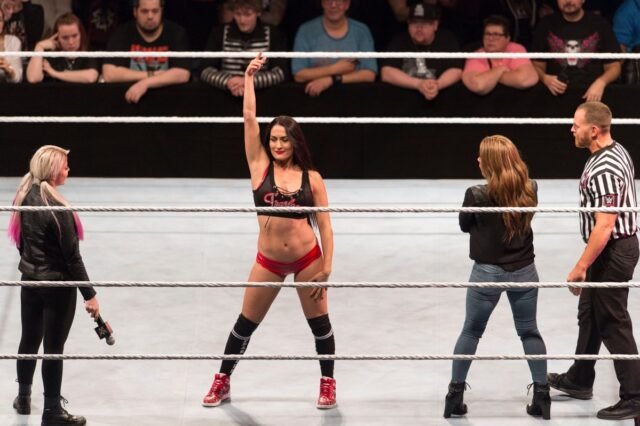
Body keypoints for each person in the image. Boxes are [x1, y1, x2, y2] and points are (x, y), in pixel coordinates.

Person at [202, 53, 337, 409]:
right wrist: (248, 78)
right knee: (245, 323)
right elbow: (249, 118)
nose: (278, 145)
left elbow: (325, 225)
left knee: (320, 325)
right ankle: (222, 381)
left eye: (284, 140)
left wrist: (327, 267)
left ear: (295, 142)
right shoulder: (259, 166)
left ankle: (328, 384)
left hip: (308, 260)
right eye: (274, 139)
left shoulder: (312, 178)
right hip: (269, 262)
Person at [445, 135, 550, 420]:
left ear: (490, 163)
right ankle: (542, 396)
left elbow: (464, 225)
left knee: (471, 331)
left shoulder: (476, 194)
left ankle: (454, 397)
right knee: (529, 331)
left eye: (482, 156)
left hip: (487, 271)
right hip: (524, 270)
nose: (478, 159)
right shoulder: (531, 188)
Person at [547, 101, 640, 421]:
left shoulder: (605, 168)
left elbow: (605, 225)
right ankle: (580, 378)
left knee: (612, 321)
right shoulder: (614, 150)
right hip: (610, 248)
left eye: (577, 124)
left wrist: (581, 265)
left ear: (594, 130)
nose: (572, 129)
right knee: (589, 313)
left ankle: (635, 396)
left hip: (614, 250)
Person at [7, 145, 100, 426]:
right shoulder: (58, 209)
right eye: (64, 165)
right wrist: (90, 295)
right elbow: (73, 258)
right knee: (53, 347)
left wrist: (32, 266)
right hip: (57, 286)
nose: (68, 169)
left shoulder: (25, 196)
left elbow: (21, 243)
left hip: (30, 281)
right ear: (52, 170)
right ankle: (52, 411)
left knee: (28, 339)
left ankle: (23, 398)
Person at [102, 0, 191, 104]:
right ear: (135, 12)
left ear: (162, 11)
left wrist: (145, 83)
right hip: (129, 102)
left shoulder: (176, 32)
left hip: (168, 102)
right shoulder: (122, 32)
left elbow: (183, 73)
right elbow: (109, 74)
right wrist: (152, 75)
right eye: (144, 11)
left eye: (155, 11)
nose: (150, 16)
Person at [531, 0, 621, 102]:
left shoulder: (600, 24)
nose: (568, 1)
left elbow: (614, 66)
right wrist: (545, 78)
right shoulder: (546, 24)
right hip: (554, 96)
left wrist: (601, 82)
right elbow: (536, 64)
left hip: (592, 96)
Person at [200, 0, 288, 96]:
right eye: (238, 14)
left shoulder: (273, 33)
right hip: (224, 96)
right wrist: (228, 81)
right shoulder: (219, 32)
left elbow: (281, 72)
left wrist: (249, 81)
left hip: (262, 96)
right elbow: (205, 70)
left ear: (258, 12)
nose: (242, 20)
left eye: (247, 14)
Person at [291, 0, 377, 97]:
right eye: (328, 1)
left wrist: (331, 80)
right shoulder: (306, 31)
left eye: (338, 1)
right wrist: (334, 69)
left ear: (347, 4)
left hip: (353, 98)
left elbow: (369, 74)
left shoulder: (361, 31)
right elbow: (299, 75)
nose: (333, 5)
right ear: (322, 3)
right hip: (315, 98)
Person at [381, 2, 463, 101]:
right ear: (408, 24)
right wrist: (418, 84)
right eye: (414, 23)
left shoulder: (447, 40)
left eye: (424, 23)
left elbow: (456, 70)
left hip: (441, 102)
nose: (419, 28)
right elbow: (386, 73)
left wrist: (437, 85)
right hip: (404, 102)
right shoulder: (400, 40)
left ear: (435, 25)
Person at [462, 15, 539, 95]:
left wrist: (491, 76)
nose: (490, 38)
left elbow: (527, 80)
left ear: (507, 38)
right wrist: (500, 69)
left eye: (496, 35)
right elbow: (478, 86)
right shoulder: (476, 56)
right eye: (487, 34)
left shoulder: (515, 49)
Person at [26, 12, 99, 84]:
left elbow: (91, 77)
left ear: (81, 35)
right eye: (65, 38)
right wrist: (39, 46)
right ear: (57, 37)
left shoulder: (88, 53)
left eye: (74, 36)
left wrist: (54, 73)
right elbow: (33, 79)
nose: (71, 42)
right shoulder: (49, 55)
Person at [0, 6, 22, 82]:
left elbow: (17, 78)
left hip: (5, 88)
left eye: (0, 20)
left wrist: (9, 70)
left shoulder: (13, 41)